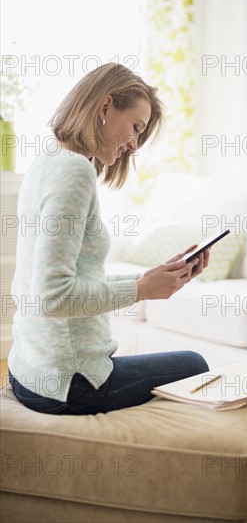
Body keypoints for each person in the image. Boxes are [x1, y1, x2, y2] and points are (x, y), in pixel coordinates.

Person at [8, 63, 210, 416]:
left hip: (29, 370)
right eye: (135, 127)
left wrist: (146, 280)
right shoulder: (74, 171)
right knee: (195, 364)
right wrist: (141, 290)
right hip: (69, 383)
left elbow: (64, 281)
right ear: (105, 108)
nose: (133, 145)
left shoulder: (48, 160)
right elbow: (52, 298)